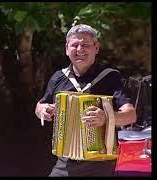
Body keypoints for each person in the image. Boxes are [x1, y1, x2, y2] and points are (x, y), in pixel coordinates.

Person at [35, 24, 137, 176]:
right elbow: (40, 104)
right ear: (66, 48)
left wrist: (106, 117)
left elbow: (130, 115)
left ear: (96, 48)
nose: (79, 49)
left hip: (99, 163)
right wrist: (42, 110)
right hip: (65, 162)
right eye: (74, 45)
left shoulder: (111, 77)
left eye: (85, 45)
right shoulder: (58, 77)